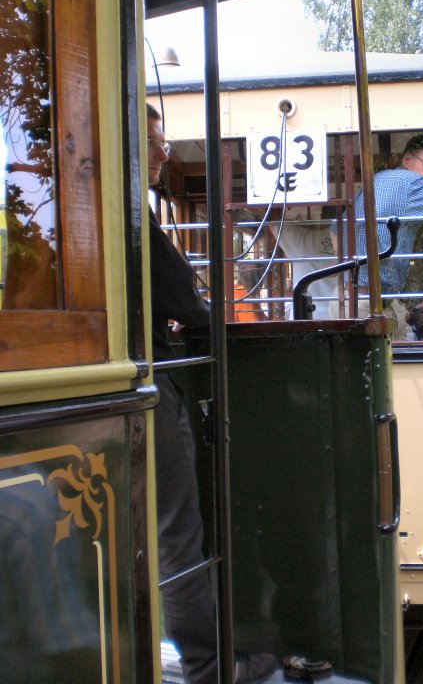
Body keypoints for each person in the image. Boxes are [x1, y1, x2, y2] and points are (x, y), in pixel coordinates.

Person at [146, 103, 278, 683]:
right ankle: (210, 667)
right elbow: (187, 302)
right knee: (178, 537)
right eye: (153, 140)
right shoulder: (131, 215)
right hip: (151, 385)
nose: (163, 151)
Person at [334, 134, 423, 336]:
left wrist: (350, 269)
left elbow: (335, 229)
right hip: (368, 305)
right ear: (407, 159)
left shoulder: (379, 180)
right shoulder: (410, 183)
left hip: (355, 298)